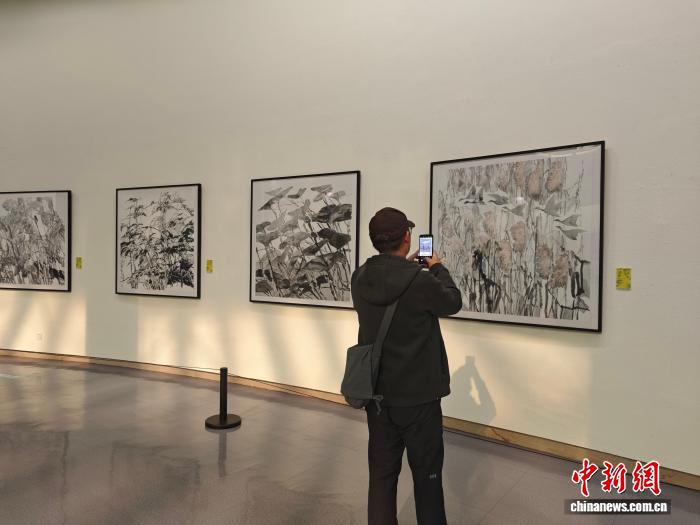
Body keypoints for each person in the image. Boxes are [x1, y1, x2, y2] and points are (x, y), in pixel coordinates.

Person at [351, 207, 462, 525]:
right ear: (406, 238)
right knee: (427, 478)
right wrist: (436, 266)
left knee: (381, 478)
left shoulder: (359, 278)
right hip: (419, 400)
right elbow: (453, 301)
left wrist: (404, 267)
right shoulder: (420, 281)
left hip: (377, 397)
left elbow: (388, 285)